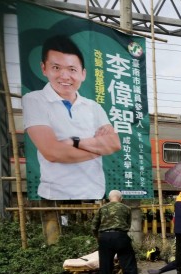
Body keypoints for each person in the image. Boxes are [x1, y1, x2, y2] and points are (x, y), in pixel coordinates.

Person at [22, 35, 121, 200]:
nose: (65, 76)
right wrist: (97, 150)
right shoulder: (33, 100)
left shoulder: (94, 107)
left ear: (83, 74)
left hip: (95, 194)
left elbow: (114, 144)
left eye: (72, 69)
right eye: (56, 67)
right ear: (44, 68)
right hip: (54, 196)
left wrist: (74, 142)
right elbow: (53, 152)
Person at [91, 190, 146, 274]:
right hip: (121, 236)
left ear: (109, 198)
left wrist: (98, 238)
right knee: (129, 266)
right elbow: (128, 224)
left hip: (105, 238)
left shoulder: (102, 209)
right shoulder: (126, 208)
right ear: (120, 198)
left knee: (105, 267)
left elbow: (93, 226)